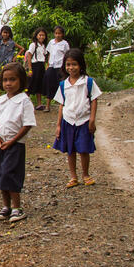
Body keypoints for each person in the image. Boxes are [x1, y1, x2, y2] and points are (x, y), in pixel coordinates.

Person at [0, 63, 36, 223]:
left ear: (21, 81)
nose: (8, 83)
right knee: (0, 174)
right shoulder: (1, 100)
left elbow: (27, 125)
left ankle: (17, 208)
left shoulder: (24, 101)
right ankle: (6, 206)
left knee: (10, 175)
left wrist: (12, 141)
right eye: (5, 80)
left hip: (15, 145)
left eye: (12, 79)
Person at [52, 48, 102, 188]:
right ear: (64, 66)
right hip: (68, 121)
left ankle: (85, 174)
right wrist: (58, 125)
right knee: (70, 150)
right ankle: (73, 177)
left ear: (81, 65)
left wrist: (92, 120)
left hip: (84, 121)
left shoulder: (88, 82)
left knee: (84, 149)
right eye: (68, 64)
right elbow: (62, 105)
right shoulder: (63, 85)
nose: (71, 67)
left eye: (74, 64)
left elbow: (94, 100)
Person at [42, 26, 70, 112]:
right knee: (49, 84)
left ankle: (65, 105)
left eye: (59, 33)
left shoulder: (65, 44)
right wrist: (48, 64)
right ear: (54, 34)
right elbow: (49, 54)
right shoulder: (51, 42)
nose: (58, 35)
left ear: (62, 34)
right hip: (51, 66)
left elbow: (67, 55)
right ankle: (47, 105)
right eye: (56, 33)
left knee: (61, 84)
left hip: (60, 67)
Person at [25, 27, 48, 110]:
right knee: (30, 85)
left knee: (39, 85)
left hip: (41, 66)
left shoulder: (43, 46)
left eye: (43, 35)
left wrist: (45, 66)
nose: (41, 37)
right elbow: (29, 56)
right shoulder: (33, 45)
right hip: (35, 66)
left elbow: (45, 56)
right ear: (36, 36)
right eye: (40, 35)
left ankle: (39, 104)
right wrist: (30, 69)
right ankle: (25, 103)